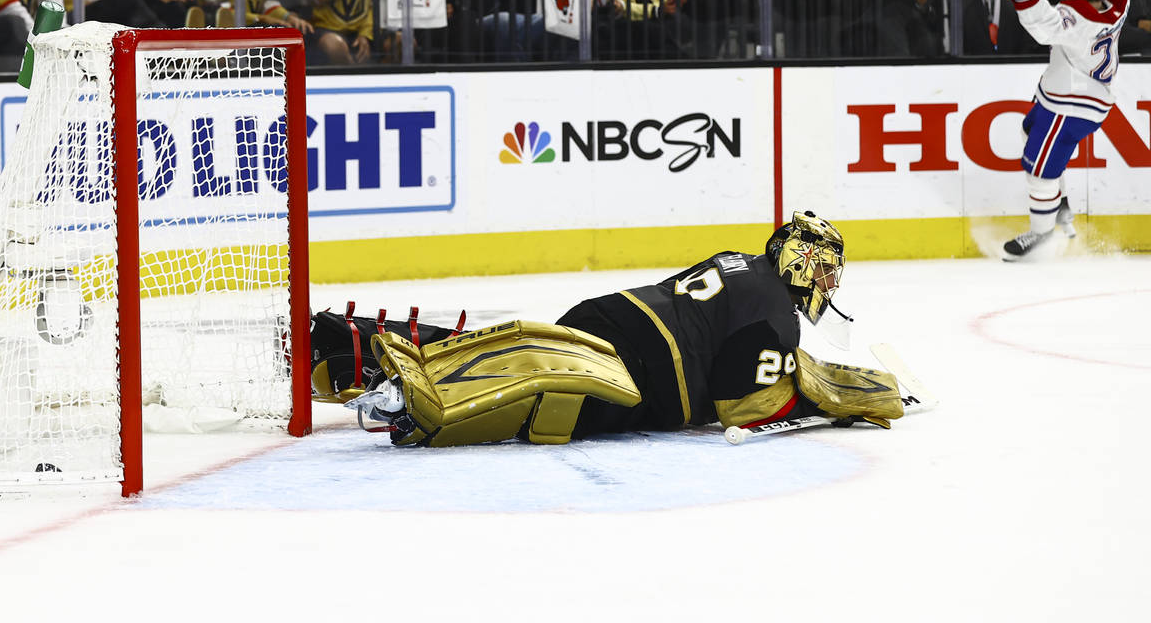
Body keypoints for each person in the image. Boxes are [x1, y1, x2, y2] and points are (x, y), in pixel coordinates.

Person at [315, 211, 904, 447]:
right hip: (642, 375)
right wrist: (818, 398)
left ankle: (354, 341)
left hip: (610, 313)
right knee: (528, 398)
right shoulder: (777, 314)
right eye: (825, 268)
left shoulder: (738, 260)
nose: (829, 282)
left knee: (518, 349)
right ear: (801, 261)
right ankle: (402, 402)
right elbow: (736, 403)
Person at [994, 0, 1144, 260]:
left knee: (1039, 168)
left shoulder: (1079, 20)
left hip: (1072, 103)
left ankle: (1041, 233)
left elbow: (1046, 28)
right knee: (1033, 136)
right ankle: (1057, 207)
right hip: (1069, 94)